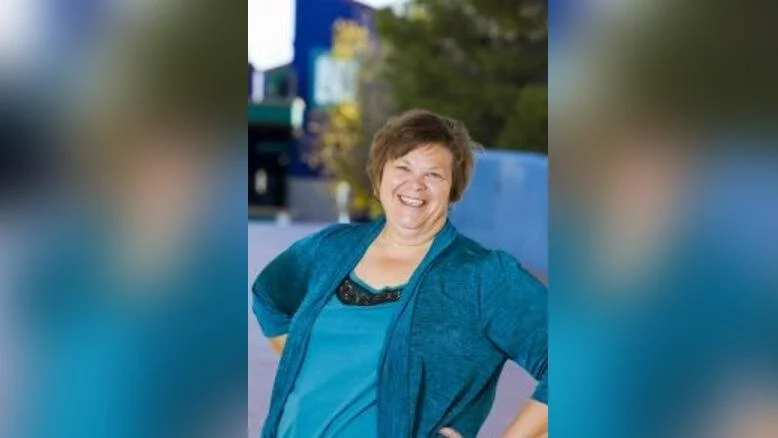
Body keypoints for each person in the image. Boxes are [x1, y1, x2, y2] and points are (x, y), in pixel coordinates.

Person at [252, 109, 548, 438]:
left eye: (433, 174)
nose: (415, 185)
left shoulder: (482, 276)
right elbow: (268, 296)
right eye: (403, 167)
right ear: (380, 175)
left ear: (453, 189)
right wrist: (302, 359)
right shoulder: (330, 248)